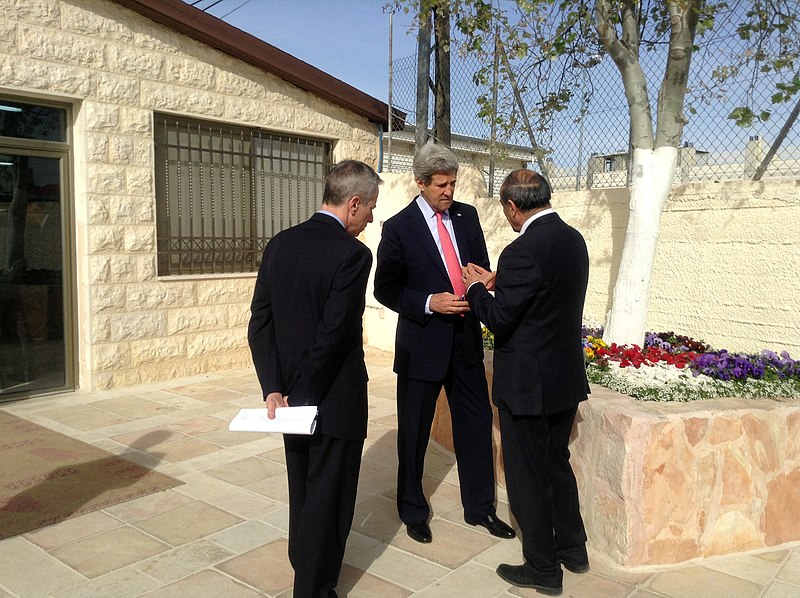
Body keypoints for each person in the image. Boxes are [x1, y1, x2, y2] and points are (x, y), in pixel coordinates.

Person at [247, 160, 380, 598]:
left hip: (287, 402)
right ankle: (314, 588)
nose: (372, 218)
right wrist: (302, 397)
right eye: (370, 208)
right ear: (353, 203)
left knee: (303, 491)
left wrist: (274, 390)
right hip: (332, 399)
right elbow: (334, 335)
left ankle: (303, 571)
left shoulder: (280, 244)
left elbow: (259, 325)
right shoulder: (354, 255)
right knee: (331, 499)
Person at [373, 142, 514, 544]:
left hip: (466, 339)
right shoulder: (398, 228)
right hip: (422, 344)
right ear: (420, 183)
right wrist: (428, 302)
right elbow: (386, 289)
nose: (448, 191)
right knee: (414, 432)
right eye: (440, 185)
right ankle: (412, 508)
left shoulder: (467, 217)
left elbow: (477, 270)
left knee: (475, 425)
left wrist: (485, 280)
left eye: (452, 183)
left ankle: (481, 508)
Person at [462, 169, 590, 596]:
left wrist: (478, 289)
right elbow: (544, 297)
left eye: (506, 210)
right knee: (556, 463)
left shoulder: (521, 251)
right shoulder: (574, 240)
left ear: (513, 206)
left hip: (527, 384)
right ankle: (573, 550)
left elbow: (500, 319)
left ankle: (542, 568)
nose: (508, 217)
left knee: (527, 475)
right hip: (564, 377)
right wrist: (503, 282)